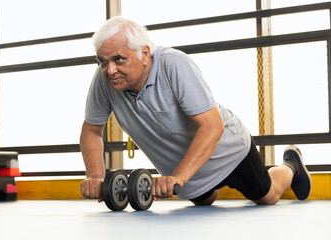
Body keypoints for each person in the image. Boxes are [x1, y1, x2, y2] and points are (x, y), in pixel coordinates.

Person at [80, 16, 312, 206]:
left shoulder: (173, 64)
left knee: (267, 196)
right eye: (102, 61)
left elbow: (212, 126)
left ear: (144, 53)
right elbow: (92, 131)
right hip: (188, 166)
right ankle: (213, 185)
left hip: (227, 152)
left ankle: (291, 165)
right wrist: (96, 176)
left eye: (119, 59)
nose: (110, 70)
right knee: (204, 201)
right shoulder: (105, 81)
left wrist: (179, 177)